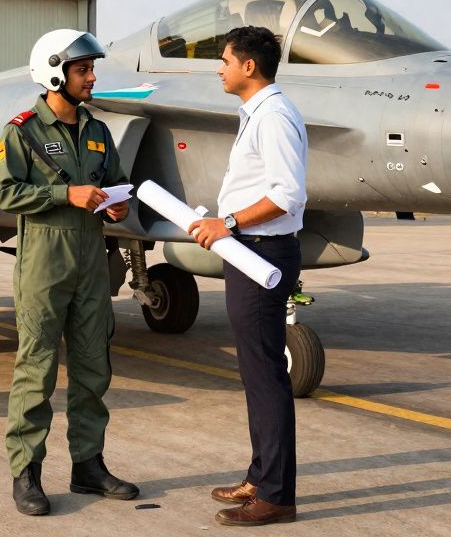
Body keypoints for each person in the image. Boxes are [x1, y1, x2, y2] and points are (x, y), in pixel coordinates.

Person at [0, 29, 138, 516]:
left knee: (94, 367)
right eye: (83, 70)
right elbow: (5, 194)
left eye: (91, 69)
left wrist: (116, 205)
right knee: (37, 369)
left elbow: (114, 183)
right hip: (44, 262)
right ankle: (26, 473)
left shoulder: (97, 132)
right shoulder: (22, 130)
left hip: (91, 260)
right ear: (55, 72)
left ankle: (88, 466)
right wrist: (63, 195)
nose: (92, 78)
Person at [187, 26, 307, 526]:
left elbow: (287, 195)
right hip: (248, 253)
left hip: (263, 253)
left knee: (266, 376)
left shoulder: (274, 117)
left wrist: (227, 223)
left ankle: (276, 496)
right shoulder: (258, 113)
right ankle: (261, 476)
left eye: (225, 60)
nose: (220, 67)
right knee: (256, 373)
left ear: (248, 67)